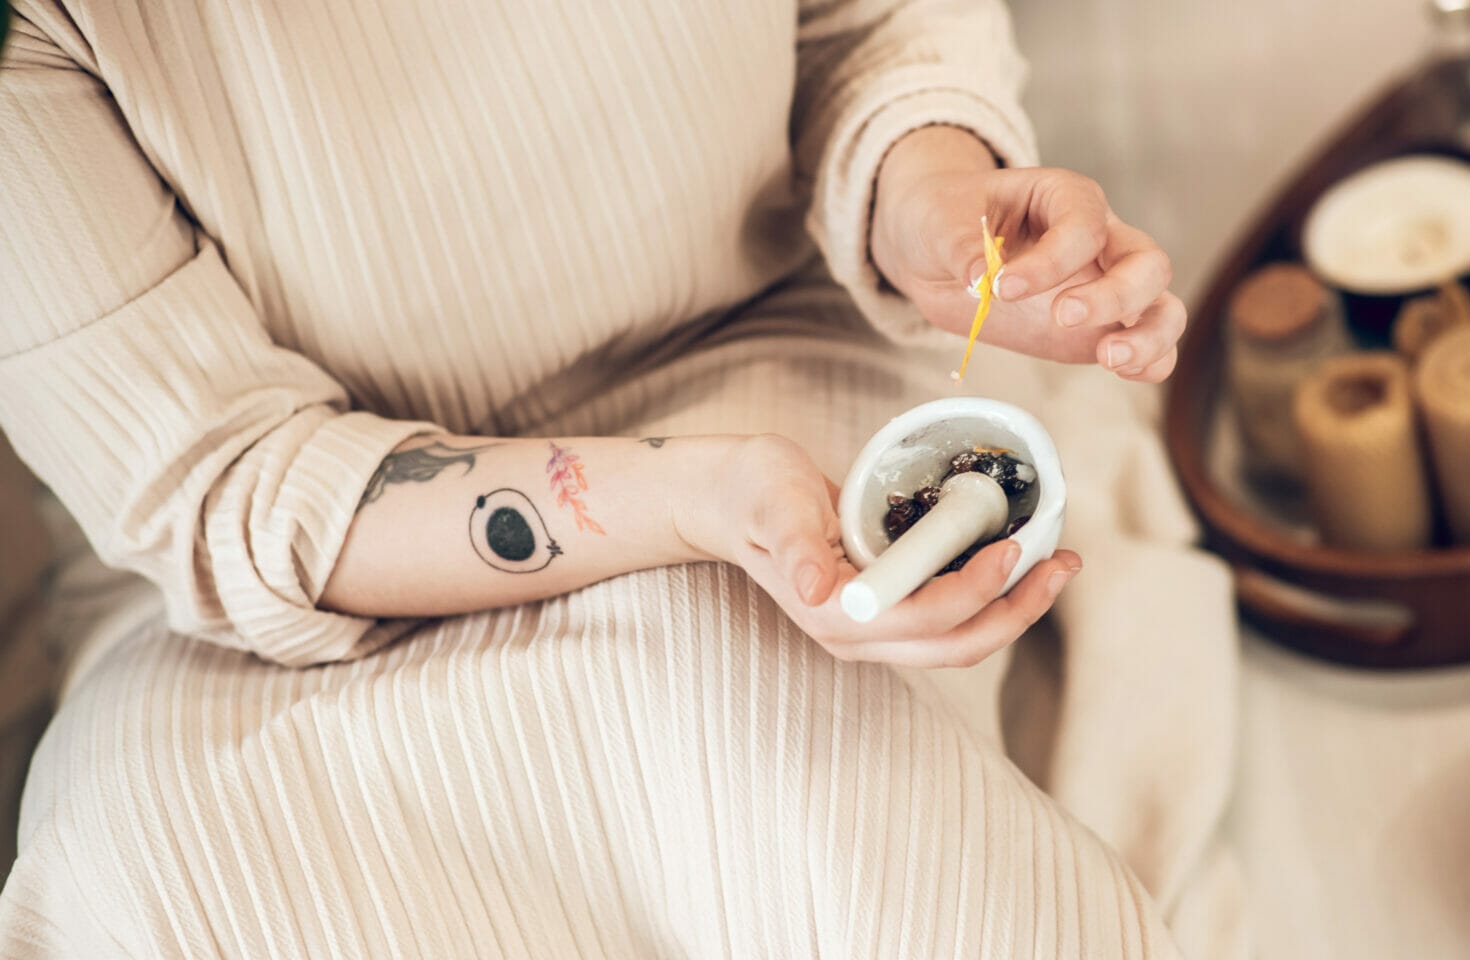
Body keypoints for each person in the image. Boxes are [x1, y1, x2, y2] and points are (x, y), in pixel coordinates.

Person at [0, 0, 1242, 955]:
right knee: (150, 874)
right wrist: (684, 498)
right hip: (269, 587)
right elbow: (214, 480)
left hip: (741, 356)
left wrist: (929, 200)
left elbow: (866, 27)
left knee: (780, 785)